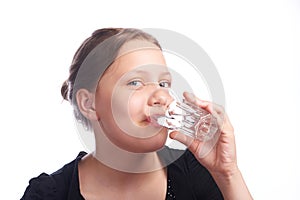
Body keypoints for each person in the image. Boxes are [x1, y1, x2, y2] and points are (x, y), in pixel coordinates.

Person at [21, 28, 253, 200]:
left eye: (163, 83)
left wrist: (228, 174)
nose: (161, 97)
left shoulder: (196, 173)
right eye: (135, 82)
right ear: (89, 104)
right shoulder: (50, 194)